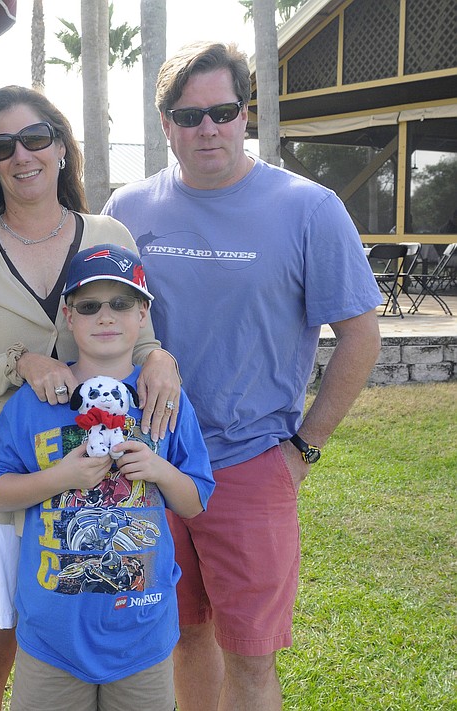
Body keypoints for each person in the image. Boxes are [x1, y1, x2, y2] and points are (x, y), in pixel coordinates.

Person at [102, 41, 383, 711]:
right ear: (165, 122)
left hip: (251, 465)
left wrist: (303, 448)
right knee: (179, 636)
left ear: (245, 114)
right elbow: (101, 324)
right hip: (148, 463)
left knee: (252, 660)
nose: (207, 129)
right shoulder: (127, 210)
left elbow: (361, 334)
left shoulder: (307, 208)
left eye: (222, 111)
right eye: (188, 115)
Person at [0, 86, 182, 710]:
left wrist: (162, 358)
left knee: (80, 666)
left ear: (61, 146)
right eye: (2, 144)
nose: (22, 155)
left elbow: (139, 334)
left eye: (36, 137)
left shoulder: (108, 232)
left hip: (90, 508)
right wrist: (16, 364)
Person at [0, 244, 215, 711]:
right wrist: (61, 477)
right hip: (53, 637)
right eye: (89, 306)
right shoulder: (38, 401)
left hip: (141, 632)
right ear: (69, 316)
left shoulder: (161, 399)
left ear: (143, 312)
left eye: (121, 303)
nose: (106, 317)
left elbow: (194, 501)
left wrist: (159, 469)